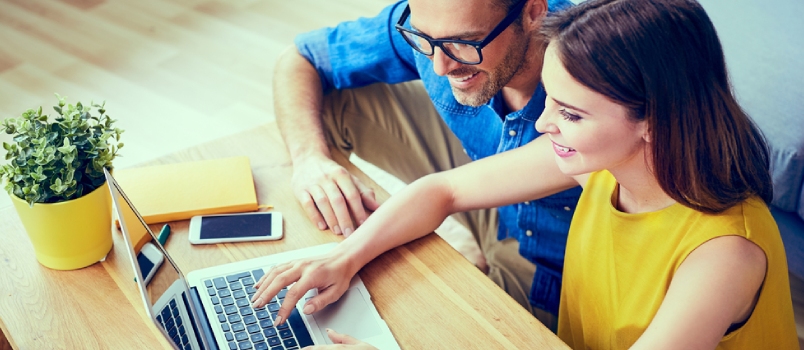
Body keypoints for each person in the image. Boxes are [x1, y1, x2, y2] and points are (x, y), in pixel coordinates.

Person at [256, 0, 801, 348]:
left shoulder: (725, 254)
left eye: (569, 113)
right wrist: (343, 259)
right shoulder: (605, 167)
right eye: (554, 101)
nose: (542, 122)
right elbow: (442, 190)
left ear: (653, 120)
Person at [273, 0, 581, 326]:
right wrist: (310, 159)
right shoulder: (436, 21)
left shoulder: (593, 76)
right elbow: (300, 57)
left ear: (533, 12)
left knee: (412, 324)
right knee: (326, 104)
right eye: (425, 38)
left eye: (463, 42)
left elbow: (444, 192)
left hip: (552, 255)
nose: (439, 67)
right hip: (483, 188)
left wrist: (350, 257)